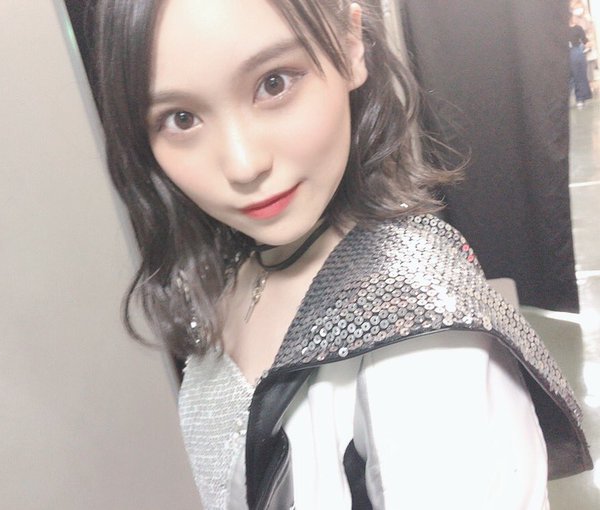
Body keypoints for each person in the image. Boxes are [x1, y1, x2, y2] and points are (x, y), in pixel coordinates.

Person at [92, 1, 592, 508]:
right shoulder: (241, 264)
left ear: (352, 44)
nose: (243, 165)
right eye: (181, 119)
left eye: (273, 84)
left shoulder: (425, 351)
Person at [570, 16, 593, 108]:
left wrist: (588, 44)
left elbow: (584, 39)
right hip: (565, 53)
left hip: (576, 51)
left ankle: (580, 98)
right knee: (568, 77)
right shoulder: (560, 29)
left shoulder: (578, 28)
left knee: (579, 75)